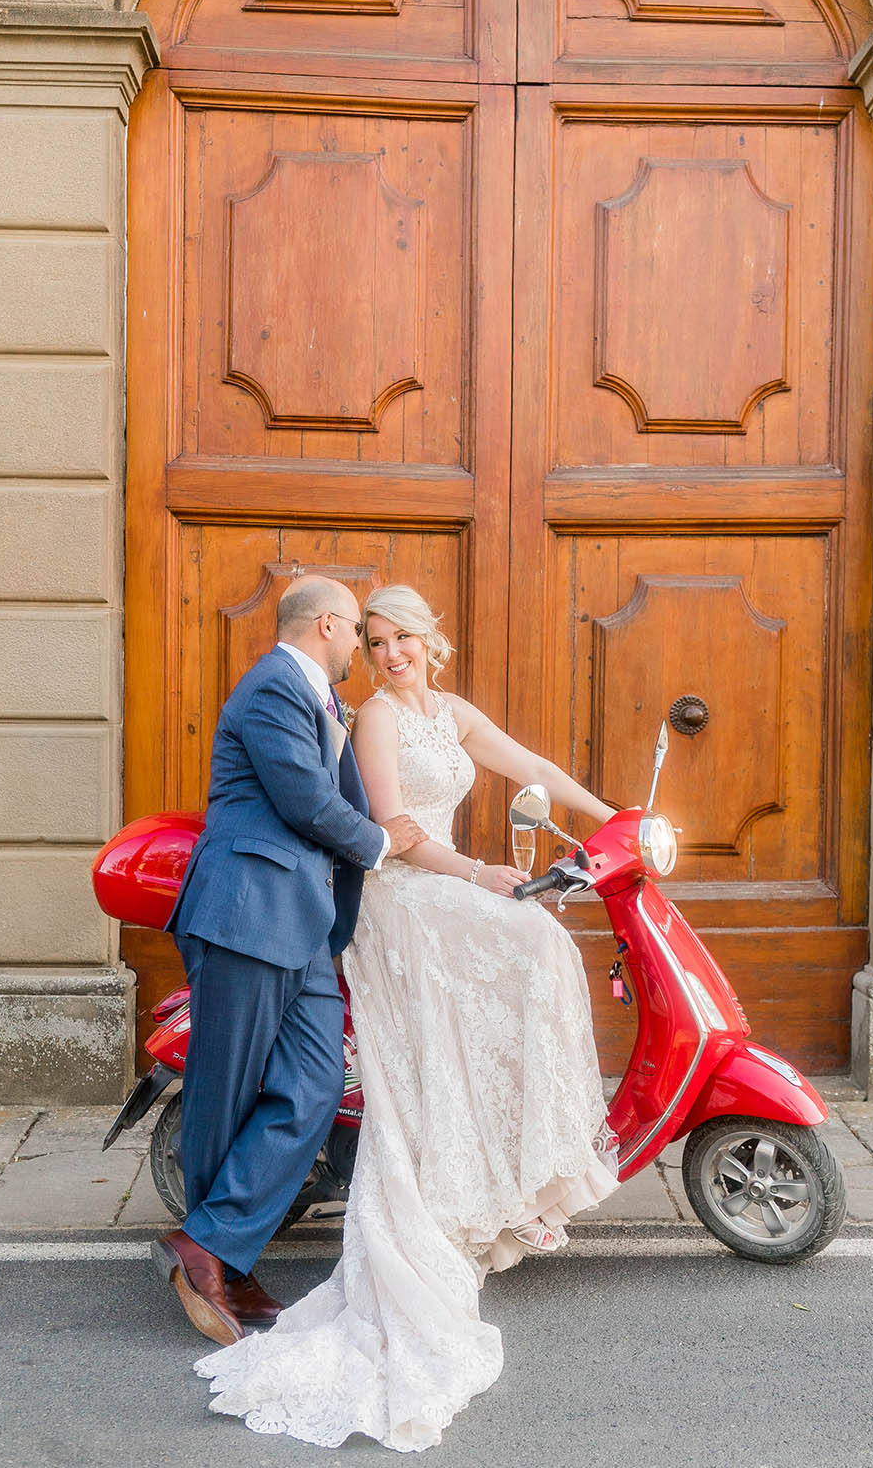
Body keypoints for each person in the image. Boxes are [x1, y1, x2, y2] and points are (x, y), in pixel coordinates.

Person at [194, 584, 621, 1449]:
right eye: (373, 637)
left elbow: (529, 766)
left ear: (432, 640)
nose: (386, 653)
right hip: (399, 892)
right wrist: (475, 872)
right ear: (345, 634)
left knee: (535, 940)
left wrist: (615, 817)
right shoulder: (364, 714)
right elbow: (378, 826)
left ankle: (513, 1162)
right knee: (533, 940)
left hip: (424, 879)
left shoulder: (447, 710)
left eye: (401, 638)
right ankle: (209, 1251)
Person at [153, 575, 425, 1347]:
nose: (364, 653)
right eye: (358, 637)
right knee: (225, 1091)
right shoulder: (272, 685)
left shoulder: (321, 698)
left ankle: (211, 1242)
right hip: (247, 913)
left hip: (304, 925)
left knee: (312, 1087)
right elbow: (304, 798)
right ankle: (220, 1261)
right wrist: (383, 841)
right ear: (329, 625)